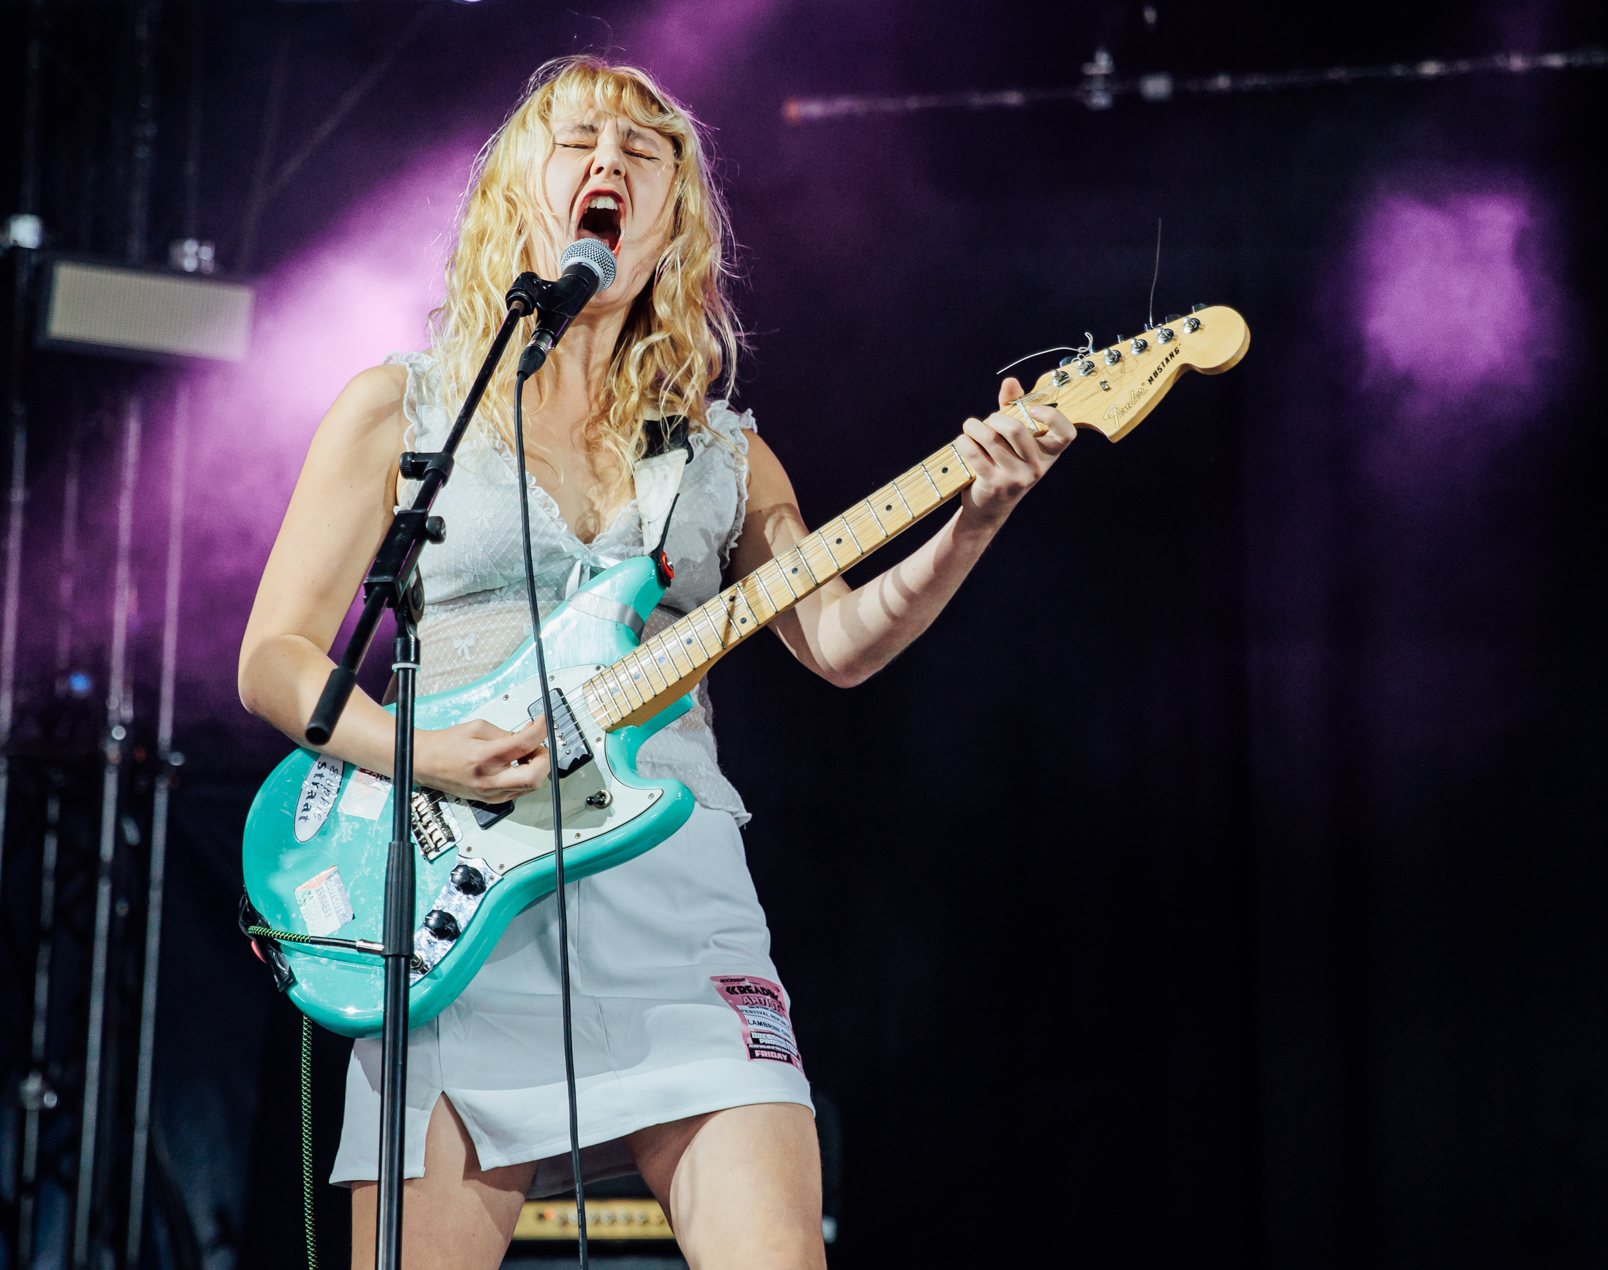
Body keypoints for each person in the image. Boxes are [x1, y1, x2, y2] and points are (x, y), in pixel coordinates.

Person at [238, 55, 1076, 1270]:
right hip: (451, 906)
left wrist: (974, 518)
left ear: (671, 217)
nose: (608, 165)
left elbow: (836, 640)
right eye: (578, 141)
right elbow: (275, 657)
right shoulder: (408, 409)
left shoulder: (722, 454)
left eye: (642, 153)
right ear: (512, 191)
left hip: (676, 901)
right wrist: (414, 747)